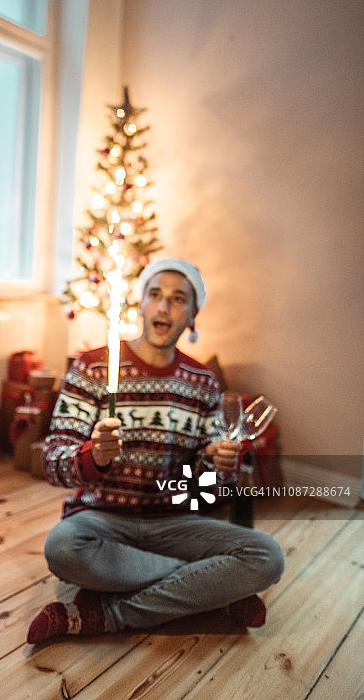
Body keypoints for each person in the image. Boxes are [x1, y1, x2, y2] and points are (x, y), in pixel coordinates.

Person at [27, 258, 284, 644]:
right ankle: (206, 592)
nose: (164, 306)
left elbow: (207, 490)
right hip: (101, 521)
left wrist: (217, 466)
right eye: (155, 295)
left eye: (178, 299)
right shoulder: (91, 368)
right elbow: (52, 461)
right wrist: (93, 457)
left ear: (193, 316)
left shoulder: (203, 383)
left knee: (267, 557)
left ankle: (109, 614)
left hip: (174, 522)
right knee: (62, 548)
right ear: (142, 304)